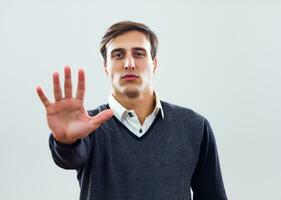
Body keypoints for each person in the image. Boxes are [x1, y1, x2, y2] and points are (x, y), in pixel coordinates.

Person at [36, 21, 228, 200]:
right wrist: (66, 142)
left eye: (139, 53)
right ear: (105, 67)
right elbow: (70, 158)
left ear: (154, 63)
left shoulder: (194, 126)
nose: (129, 63)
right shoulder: (88, 125)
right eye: (118, 55)